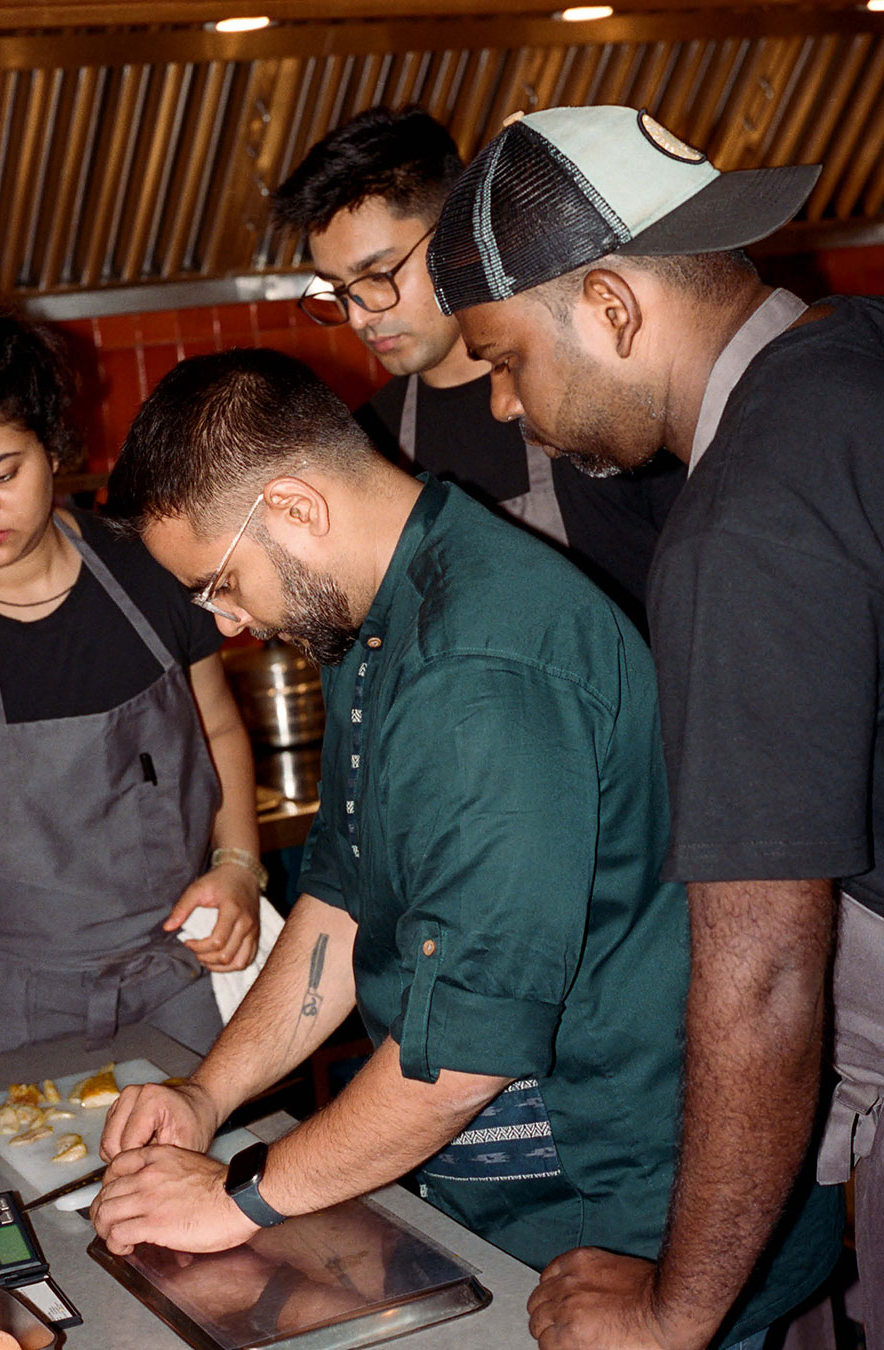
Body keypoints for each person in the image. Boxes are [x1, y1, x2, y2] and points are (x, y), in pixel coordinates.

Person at [95, 346, 776, 1349]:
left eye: (220, 583)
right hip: (495, 1192)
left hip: (617, 1220)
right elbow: (341, 892)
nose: (230, 622)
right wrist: (209, 1092)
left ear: (295, 508)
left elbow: (461, 1059)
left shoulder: (483, 673)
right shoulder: (378, 612)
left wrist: (237, 1201)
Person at [425, 104, 862, 1348]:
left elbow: (768, 964)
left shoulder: (740, 530)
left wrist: (676, 1314)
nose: (502, 404)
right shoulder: (856, 360)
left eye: (504, 357)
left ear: (612, 309)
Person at [0, 279, 264, 1223]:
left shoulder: (146, 564)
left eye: (3, 470)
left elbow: (220, 726)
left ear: (55, 448)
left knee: (222, 1222)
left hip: (181, 987)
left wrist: (237, 863)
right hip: (16, 1022)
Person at [272, 104, 684, 628]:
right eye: (338, 289)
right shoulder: (365, 446)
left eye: (378, 273)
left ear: (455, 232)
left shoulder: (601, 388)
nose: (358, 315)